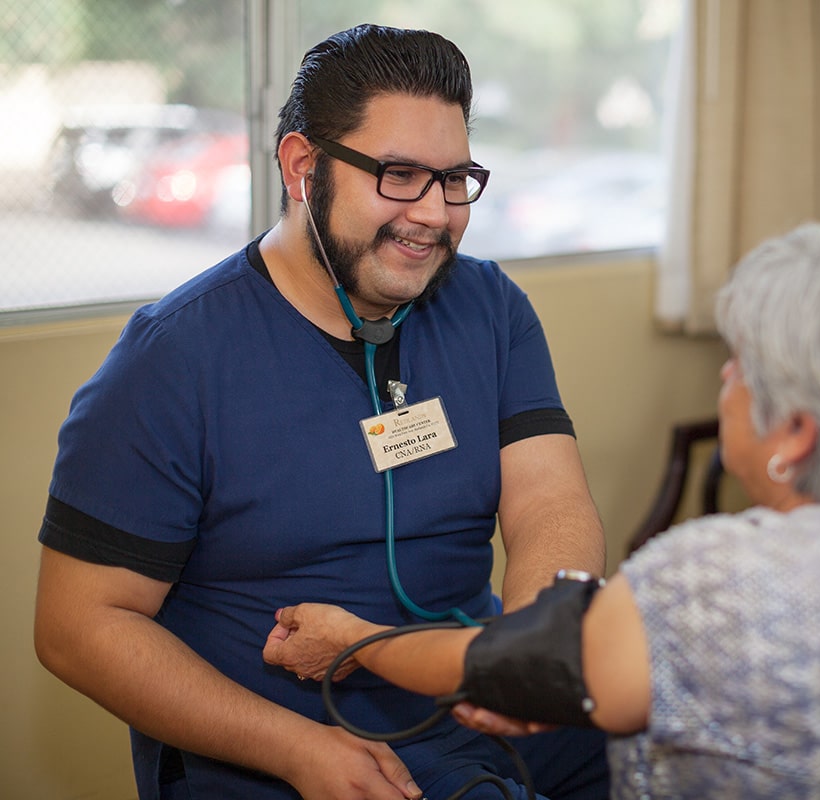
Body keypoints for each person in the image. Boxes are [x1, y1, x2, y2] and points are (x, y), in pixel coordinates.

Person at [264, 220, 820, 799]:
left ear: (796, 434)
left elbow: (490, 670)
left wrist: (354, 640)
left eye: (743, 366)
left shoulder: (716, 582)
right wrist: (546, 670)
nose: (728, 376)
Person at [34, 24, 609, 800]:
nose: (435, 215)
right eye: (400, 175)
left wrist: (525, 654)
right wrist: (296, 749)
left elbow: (549, 502)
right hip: (289, 748)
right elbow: (77, 629)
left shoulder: (491, 309)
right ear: (304, 168)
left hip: (471, 700)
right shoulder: (173, 359)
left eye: (455, 179)